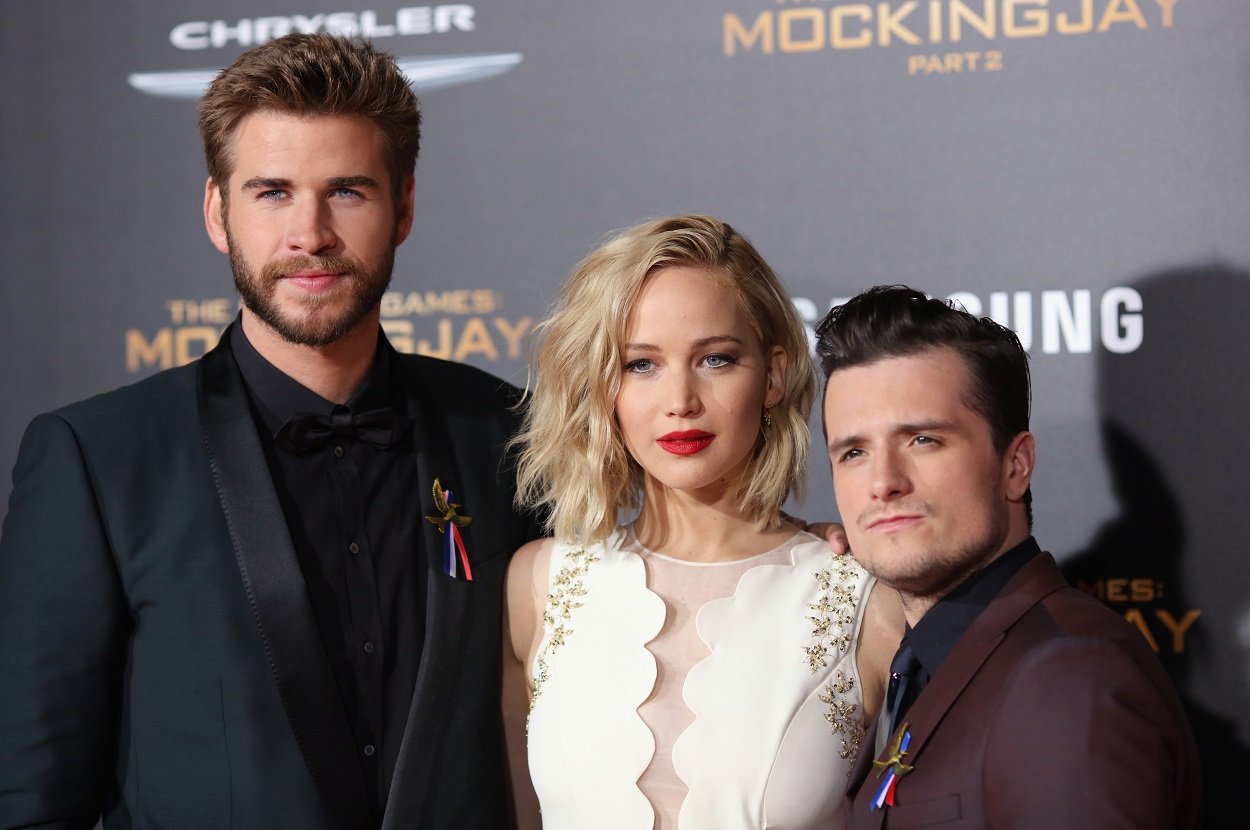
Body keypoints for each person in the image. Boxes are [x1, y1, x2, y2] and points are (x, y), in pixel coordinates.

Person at [0, 33, 538, 829]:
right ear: (219, 212)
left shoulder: (509, 434)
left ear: (406, 207)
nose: (310, 233)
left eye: (348, 191)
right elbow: (32, 796)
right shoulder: (98, 461)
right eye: (272, 192)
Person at [501, 215, 903, 829]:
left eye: (715, 359)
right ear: (602, 387)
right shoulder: (542, 584)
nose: (680, 400)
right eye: (641, 364)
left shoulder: (865, 596)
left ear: (773, 375)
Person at [815, 286, 1202, 828]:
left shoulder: (1069, 681)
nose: (883, 483)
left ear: (1015, 465)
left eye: (923, 440)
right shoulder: (918, 666)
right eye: (853, 453)